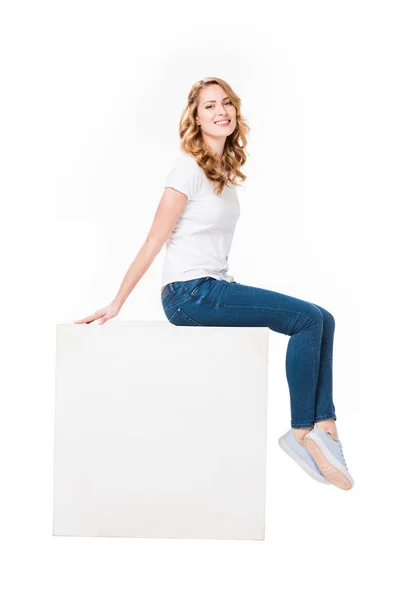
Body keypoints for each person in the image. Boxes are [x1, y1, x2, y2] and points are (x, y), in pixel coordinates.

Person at [74, 77, 354, 491]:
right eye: (209, 106)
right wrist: (118, 302)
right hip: (189, 293)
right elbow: (155, 239)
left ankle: (325, 428)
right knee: (307, 320)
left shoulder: (221, 173)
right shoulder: (185, 168)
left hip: (210, 286)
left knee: (323, 318)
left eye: (226, 103)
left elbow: (207, 240)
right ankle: (303, 435)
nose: (221, 111)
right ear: (196, 117)